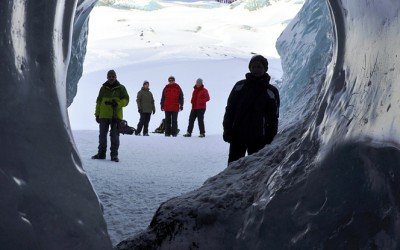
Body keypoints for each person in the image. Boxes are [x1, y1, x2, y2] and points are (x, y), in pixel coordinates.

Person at [223, 55, 280, 163]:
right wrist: (227, 129)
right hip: (237, 136)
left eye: (259, 67)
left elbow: (273, 117)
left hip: (259, 139)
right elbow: (230, 110)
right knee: (232, 170)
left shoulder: (271, 91)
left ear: (265, 69)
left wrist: (270, 138)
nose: (256, 70)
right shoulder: (239, 86)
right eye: (253, 67)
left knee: (254, 172)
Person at [92, 70, 129, 162]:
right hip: (103, 115)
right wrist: (97, 114)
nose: (111, 78)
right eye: (109, 76)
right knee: (102, 136)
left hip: (116, 116)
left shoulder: (121, 88)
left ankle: (114, 155)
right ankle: (101, 154)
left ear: (116, 77)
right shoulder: (103, 88)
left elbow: (126, 100)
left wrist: (118, 103)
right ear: (107, 77)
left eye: (113, 76)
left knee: (115, 136)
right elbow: (99, 102)